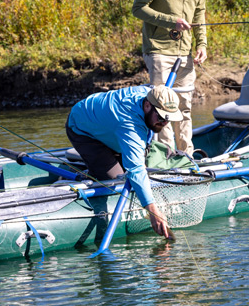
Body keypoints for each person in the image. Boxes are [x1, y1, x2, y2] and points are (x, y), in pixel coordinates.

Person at [66, 85, 183, 239]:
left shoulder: (147, 94)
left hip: (109, 123)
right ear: (147, 105)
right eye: (161, 117)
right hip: (82, 128)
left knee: (135, 165)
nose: (164, 123)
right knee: (115, 181)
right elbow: (135, 170)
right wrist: (152, 209)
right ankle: (88, 173)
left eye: (168, 119)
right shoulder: (129, 126)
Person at [131, 0, 209, 156]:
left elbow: (199, 12)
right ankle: (166, 156)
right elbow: (138, 9)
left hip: (184, 51)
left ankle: (186, 155)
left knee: (184, 106)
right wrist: (170, 21)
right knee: (161, 108)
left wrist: (202, 44)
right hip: (158, 50)